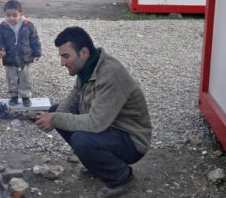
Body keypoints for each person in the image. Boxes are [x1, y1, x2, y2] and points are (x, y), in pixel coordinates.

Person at [35, 27, 152, 198]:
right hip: (109, 127)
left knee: (81, 140)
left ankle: (121, 177)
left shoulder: (110, 74)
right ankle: (97, 164)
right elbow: (74, 95)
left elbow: (95, 123)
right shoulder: (88, 66)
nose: (62, 63)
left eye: (66, 56)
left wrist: (55, 119)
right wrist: (55, 115)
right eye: (61, 56)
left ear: (83, 52)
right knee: (56, 111)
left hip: (131, 140)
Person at [0, 0, 41, 107]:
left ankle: (25, 96)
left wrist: (37, 52)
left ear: (20, 14)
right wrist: (1, 49)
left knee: (25, 78)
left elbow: (34, 39)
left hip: (24, 57)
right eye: (8, 15)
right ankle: (13, 96)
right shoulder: (2, 27)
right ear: (5, 14)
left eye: (14, 15)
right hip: (9, 58)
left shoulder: (28, 25)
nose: (11, 18)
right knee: (11, 78)